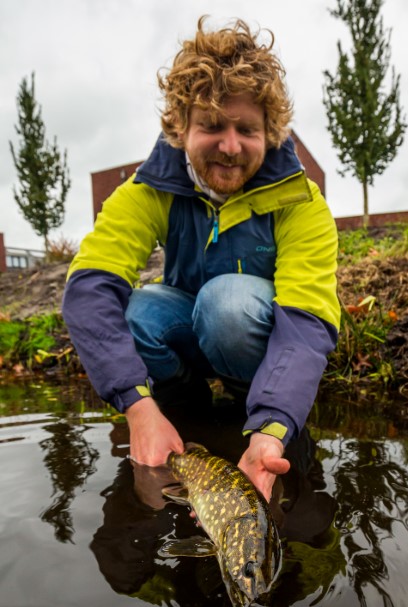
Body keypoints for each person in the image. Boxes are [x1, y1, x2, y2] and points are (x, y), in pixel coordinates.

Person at [62, 16, 340, 502]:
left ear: (270, 133)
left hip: (253, 339)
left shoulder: (303, 201)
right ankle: (179, 407)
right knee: (137, 311)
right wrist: (138, 408)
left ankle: (249, 403)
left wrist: (271, 432)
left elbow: (306, 321)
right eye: (212, 125)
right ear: (180, 127)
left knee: (225, 303)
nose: (230, 147)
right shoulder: (149, 190)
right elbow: (89, 288)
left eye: (247, 130)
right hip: (187, 331)